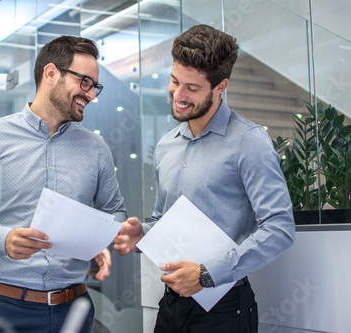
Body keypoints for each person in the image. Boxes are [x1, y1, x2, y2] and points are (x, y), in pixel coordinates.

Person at [114, 24, 295, 332]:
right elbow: (164, 220)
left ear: (220, 86)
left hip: (224, 309)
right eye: (174, 81)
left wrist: (206, 274)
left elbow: (280, 229)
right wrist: (143, 233)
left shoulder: (248, 142)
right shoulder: (166, 145)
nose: (179, 95)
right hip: (170, 304)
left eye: (193, 88)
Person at [0, 35, 127, 333]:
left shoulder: (96, 147)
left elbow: (116, 212)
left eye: (94, 86)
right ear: (51, 73)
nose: (91, 95)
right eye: (85, 82)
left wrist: (100, 237)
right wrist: (3, 239)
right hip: (3, 308)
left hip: (74, 309)